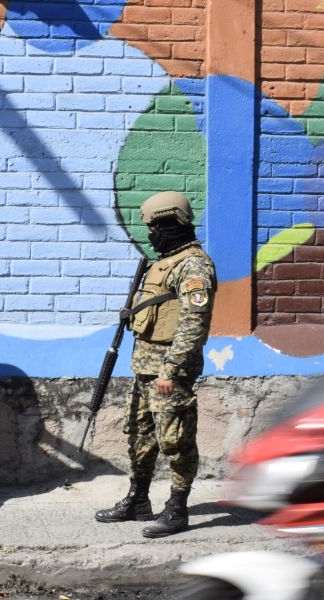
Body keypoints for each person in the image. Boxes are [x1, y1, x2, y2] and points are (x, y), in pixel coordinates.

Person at [95, 191, 217, 538]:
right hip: (145, 369)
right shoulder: (164, 263)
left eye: (157, 227)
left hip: (168, 373)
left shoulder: (194, 266)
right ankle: (138, 500)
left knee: (175, 441)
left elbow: (194, 324)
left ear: (174, 223)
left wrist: (171, 369)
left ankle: (177, 509)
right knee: (139, 436)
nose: (152, 235)